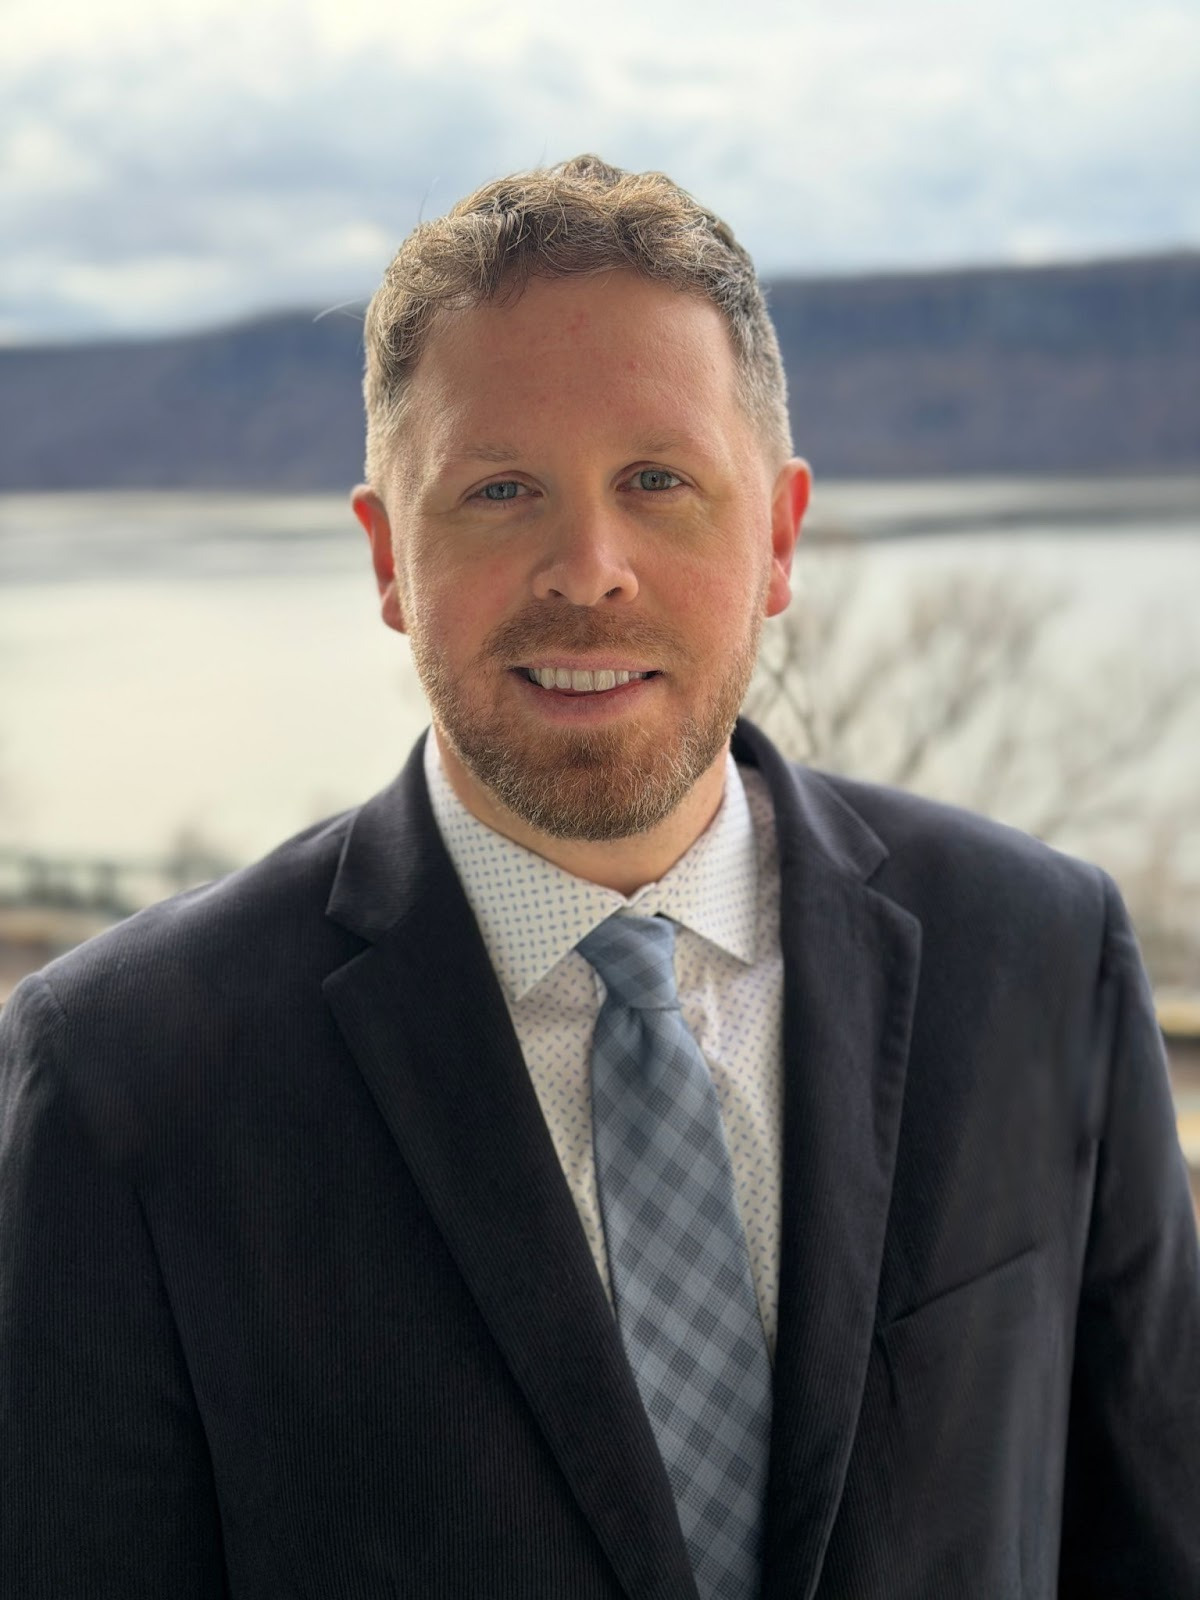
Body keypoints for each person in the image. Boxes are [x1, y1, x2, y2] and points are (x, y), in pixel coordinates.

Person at [1, 154, 1197, 1600]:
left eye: (657, 481)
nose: (590, 567)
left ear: (778, 537)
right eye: (500, 489)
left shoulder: (1042, 961)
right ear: (388, 556)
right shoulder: (127, 1078)